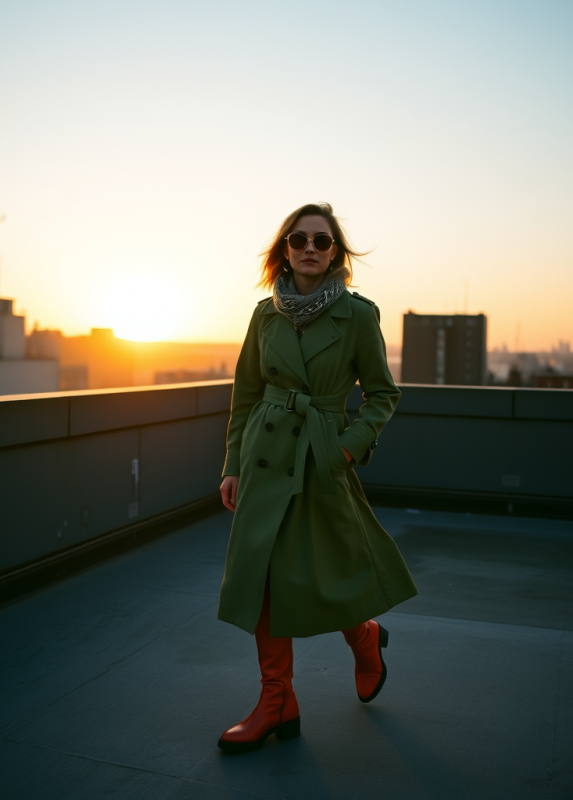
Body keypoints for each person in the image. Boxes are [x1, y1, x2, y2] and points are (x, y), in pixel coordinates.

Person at [216, 203, 418, 754]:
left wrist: (346, 450)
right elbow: (247, 394)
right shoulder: (264, 315)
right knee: (261, 576)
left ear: (335, 253)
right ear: (285, 248)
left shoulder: (357, 314)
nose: (310, 247)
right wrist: (233, 464)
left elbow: (383, 394)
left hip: (321, 454)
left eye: (322, 241)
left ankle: (366, 637)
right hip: (264, 454)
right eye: (299, 238)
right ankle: (276, 699)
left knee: (327, 573)